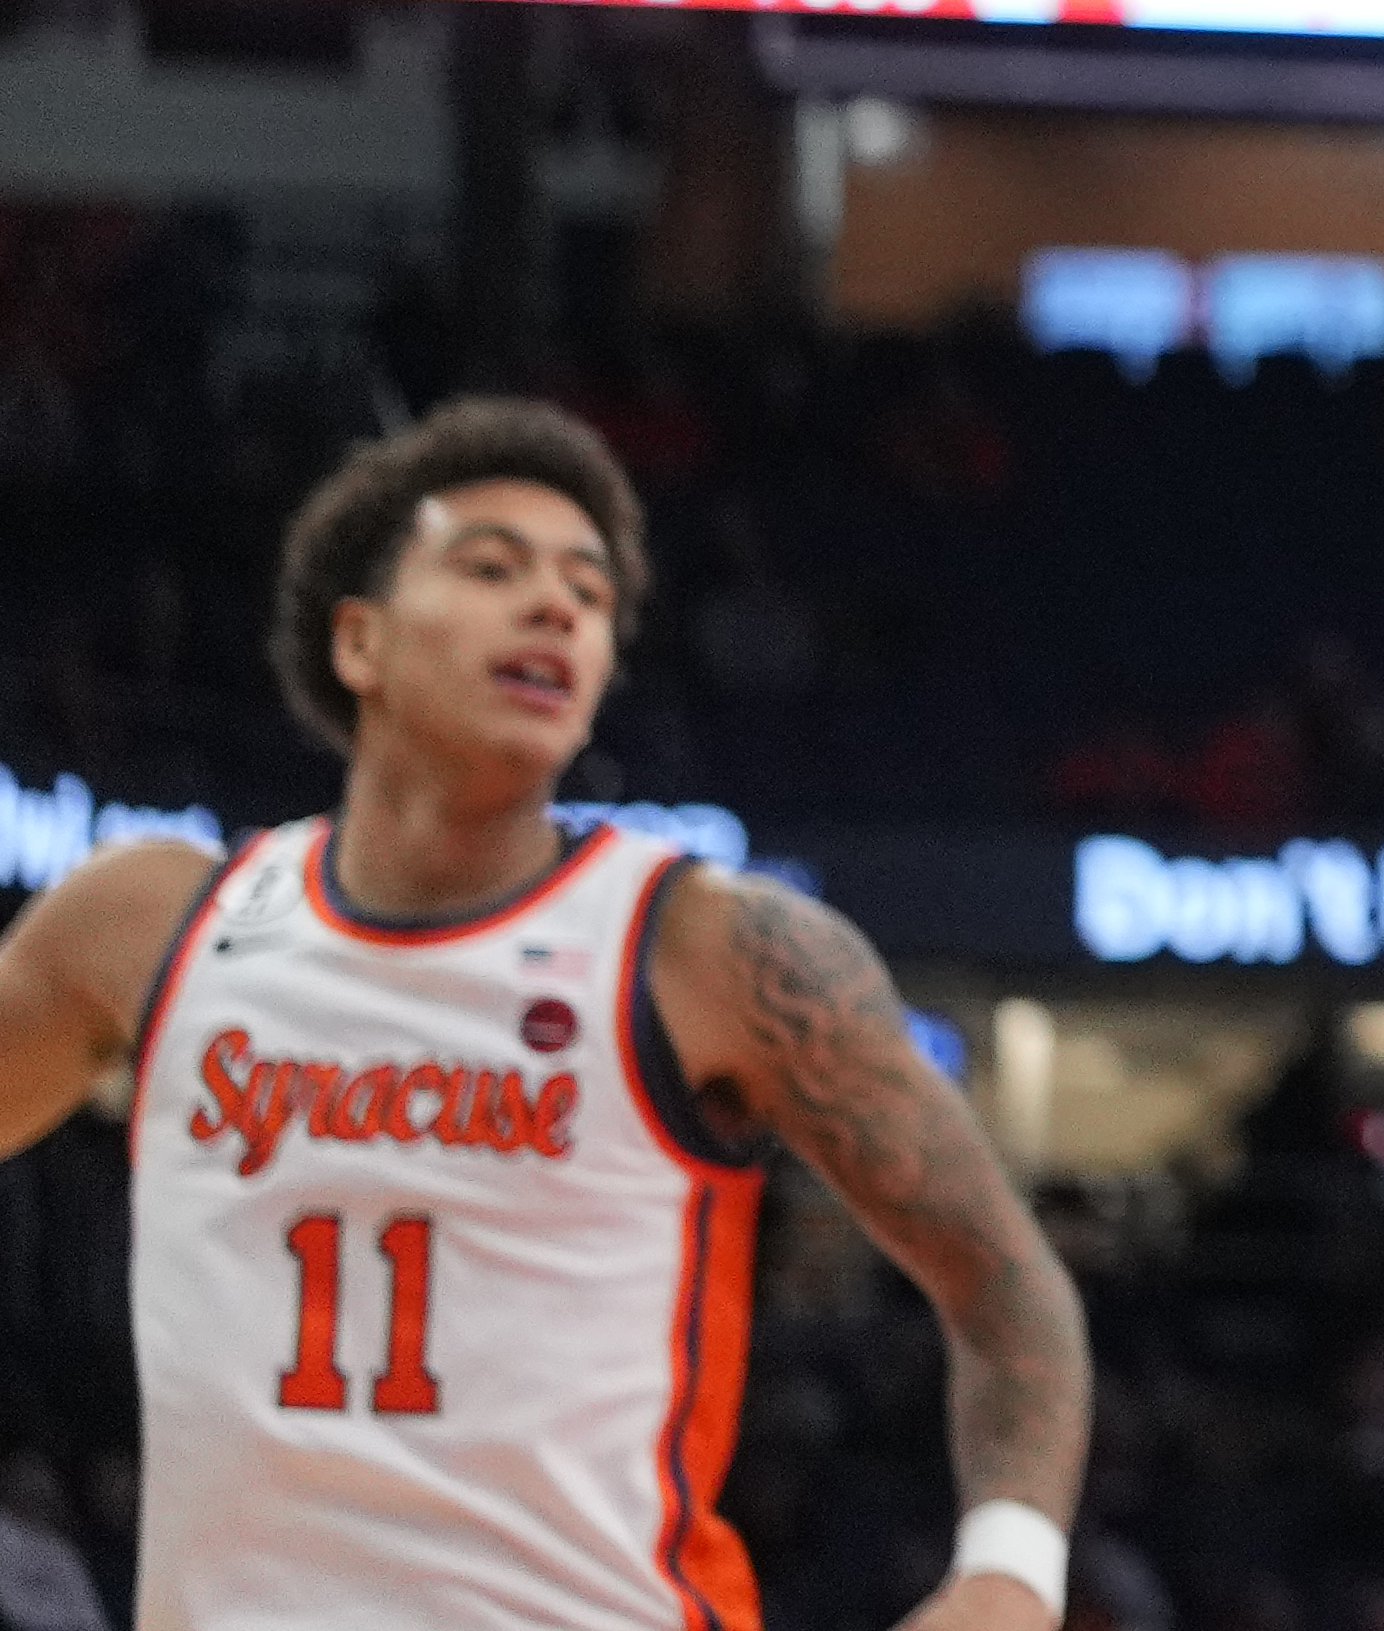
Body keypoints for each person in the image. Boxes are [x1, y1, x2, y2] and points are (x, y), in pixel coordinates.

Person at [0, 396, 1088, 1631]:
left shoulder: (716, 953)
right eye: (491, 566)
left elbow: (1009, 1289)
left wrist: (1010, 1570)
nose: (558, 607)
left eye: (589, 590)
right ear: (359, 644)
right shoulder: (146, 926)